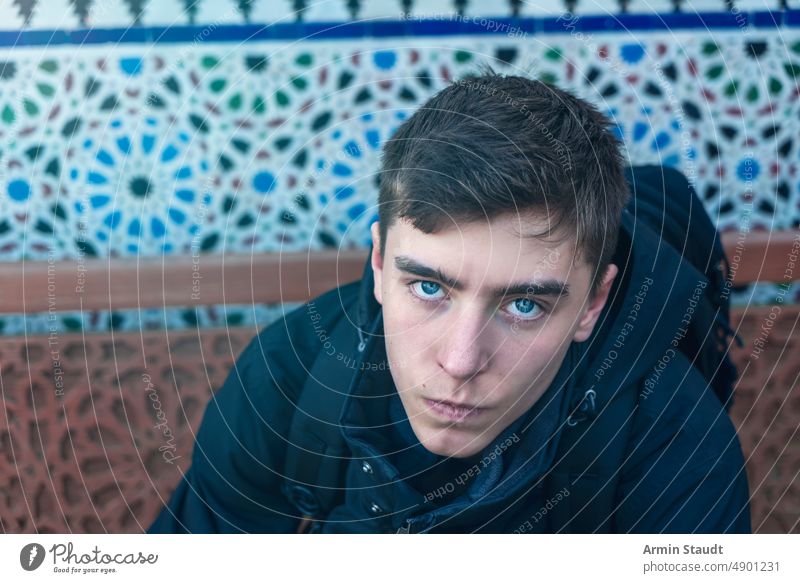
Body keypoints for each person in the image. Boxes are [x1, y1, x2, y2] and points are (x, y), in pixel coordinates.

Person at [148, 72, 751, 534]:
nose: (461, 363)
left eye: (524, 306)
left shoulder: (671, 439)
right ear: (381, 264)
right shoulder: (291, 377)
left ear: (592, 304)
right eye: (429, 288)